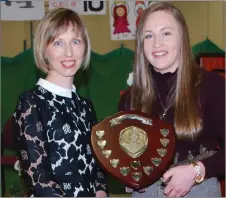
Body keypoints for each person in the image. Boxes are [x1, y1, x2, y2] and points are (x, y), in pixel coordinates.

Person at [119, 2, 225, 198]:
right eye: (148, 36)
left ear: (182, 38)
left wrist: (197, 171)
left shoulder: (212, 86)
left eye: (166, 33)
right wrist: (130, 177)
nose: (156, 43)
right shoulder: (130, 99)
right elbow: (126, 156)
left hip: (198, 191)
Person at [12, 8, 108, 197]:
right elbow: (40, 180)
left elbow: (97, 166)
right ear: (44, 50)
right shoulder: (30, 103)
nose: (69, 52)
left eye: (75, 41)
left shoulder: (86, 106)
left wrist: (101, 191)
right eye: (58, 43)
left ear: (85, 46)